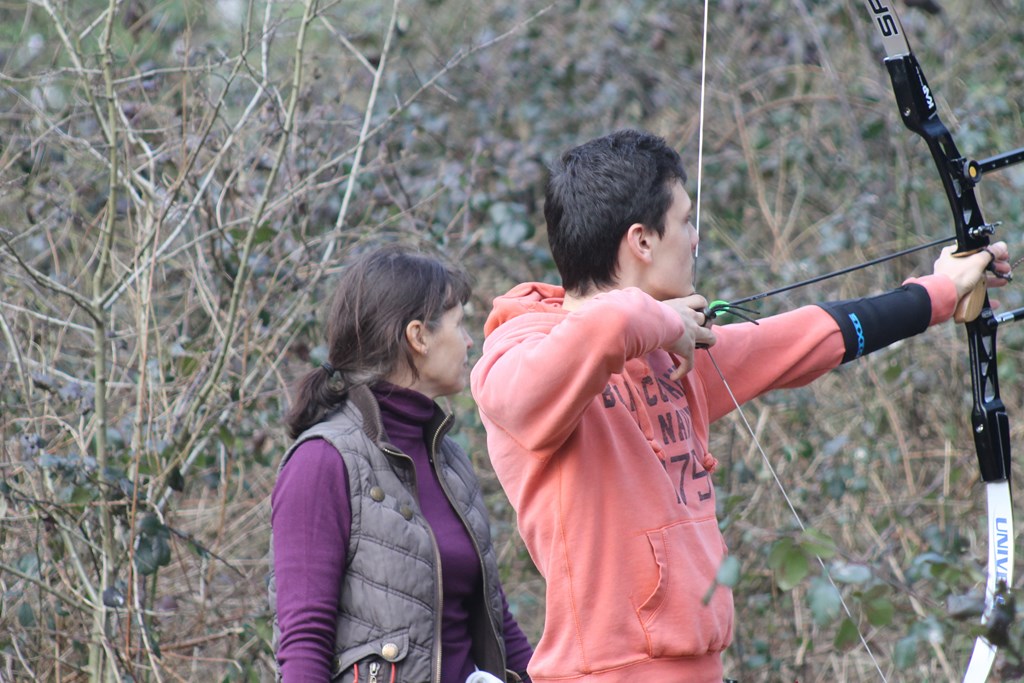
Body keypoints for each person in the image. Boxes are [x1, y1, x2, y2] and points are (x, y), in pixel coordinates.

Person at [469, 129, 1011, 682]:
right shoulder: (518, 356)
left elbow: (809, 337)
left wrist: (939, 292)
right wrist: (665, 323)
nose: (696, 238)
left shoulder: (669, 355)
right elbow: (594, 336)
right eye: (685, 221)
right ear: (642, 242)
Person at [269, 244, 534, 683]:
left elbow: (497, 622)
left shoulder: (449, 460)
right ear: (418, 336)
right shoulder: (320, 462)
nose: (470, 341)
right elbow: (304, 645)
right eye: (459, 324)